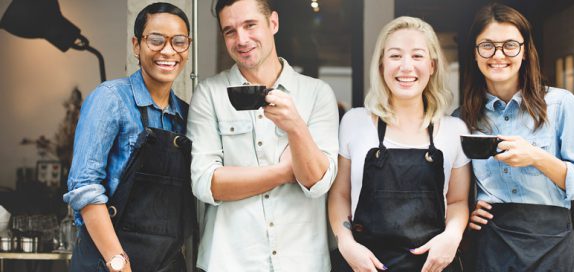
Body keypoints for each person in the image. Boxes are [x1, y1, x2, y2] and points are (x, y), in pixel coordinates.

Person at [186, 0, 339, 271]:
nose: (241, 39)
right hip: (230, 261)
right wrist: (285, 171)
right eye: (230, 31)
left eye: (250, 25)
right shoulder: (209, 94)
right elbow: (206, 183)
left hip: (302, 261)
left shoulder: (317, 94)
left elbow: (318, 182)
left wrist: (296, 127)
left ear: (274, 23)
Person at [460, 3, 574, 271]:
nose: (498, 54)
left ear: (524, 51)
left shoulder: (561, 104)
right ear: (475, 53)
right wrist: (466, 210)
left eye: (510, 45)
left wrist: (536, 157)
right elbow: (452, 189)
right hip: (491, 244)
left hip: (552, 245)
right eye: (487, 45)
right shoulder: (461, 118)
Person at [328, 16, 471, 272]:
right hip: (364, 265)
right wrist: (346, 243)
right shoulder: (354, 122)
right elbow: (339, 195)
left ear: (432, 65)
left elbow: (458, 201)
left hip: (433, 265)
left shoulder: (454, 130)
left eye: (417, 56)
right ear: (381, 64)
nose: (406, 67)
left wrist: (452, 237)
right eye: (395, 56)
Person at [64, 2, 194, 272]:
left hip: (166, 263)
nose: (168, 51)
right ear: (137, 45)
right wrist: (118, 261)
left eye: (179, 42)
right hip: (107, 261)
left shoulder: (187, 115)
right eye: (156, 40)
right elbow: (84, 187)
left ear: (187, 48)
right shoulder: (110, 99)